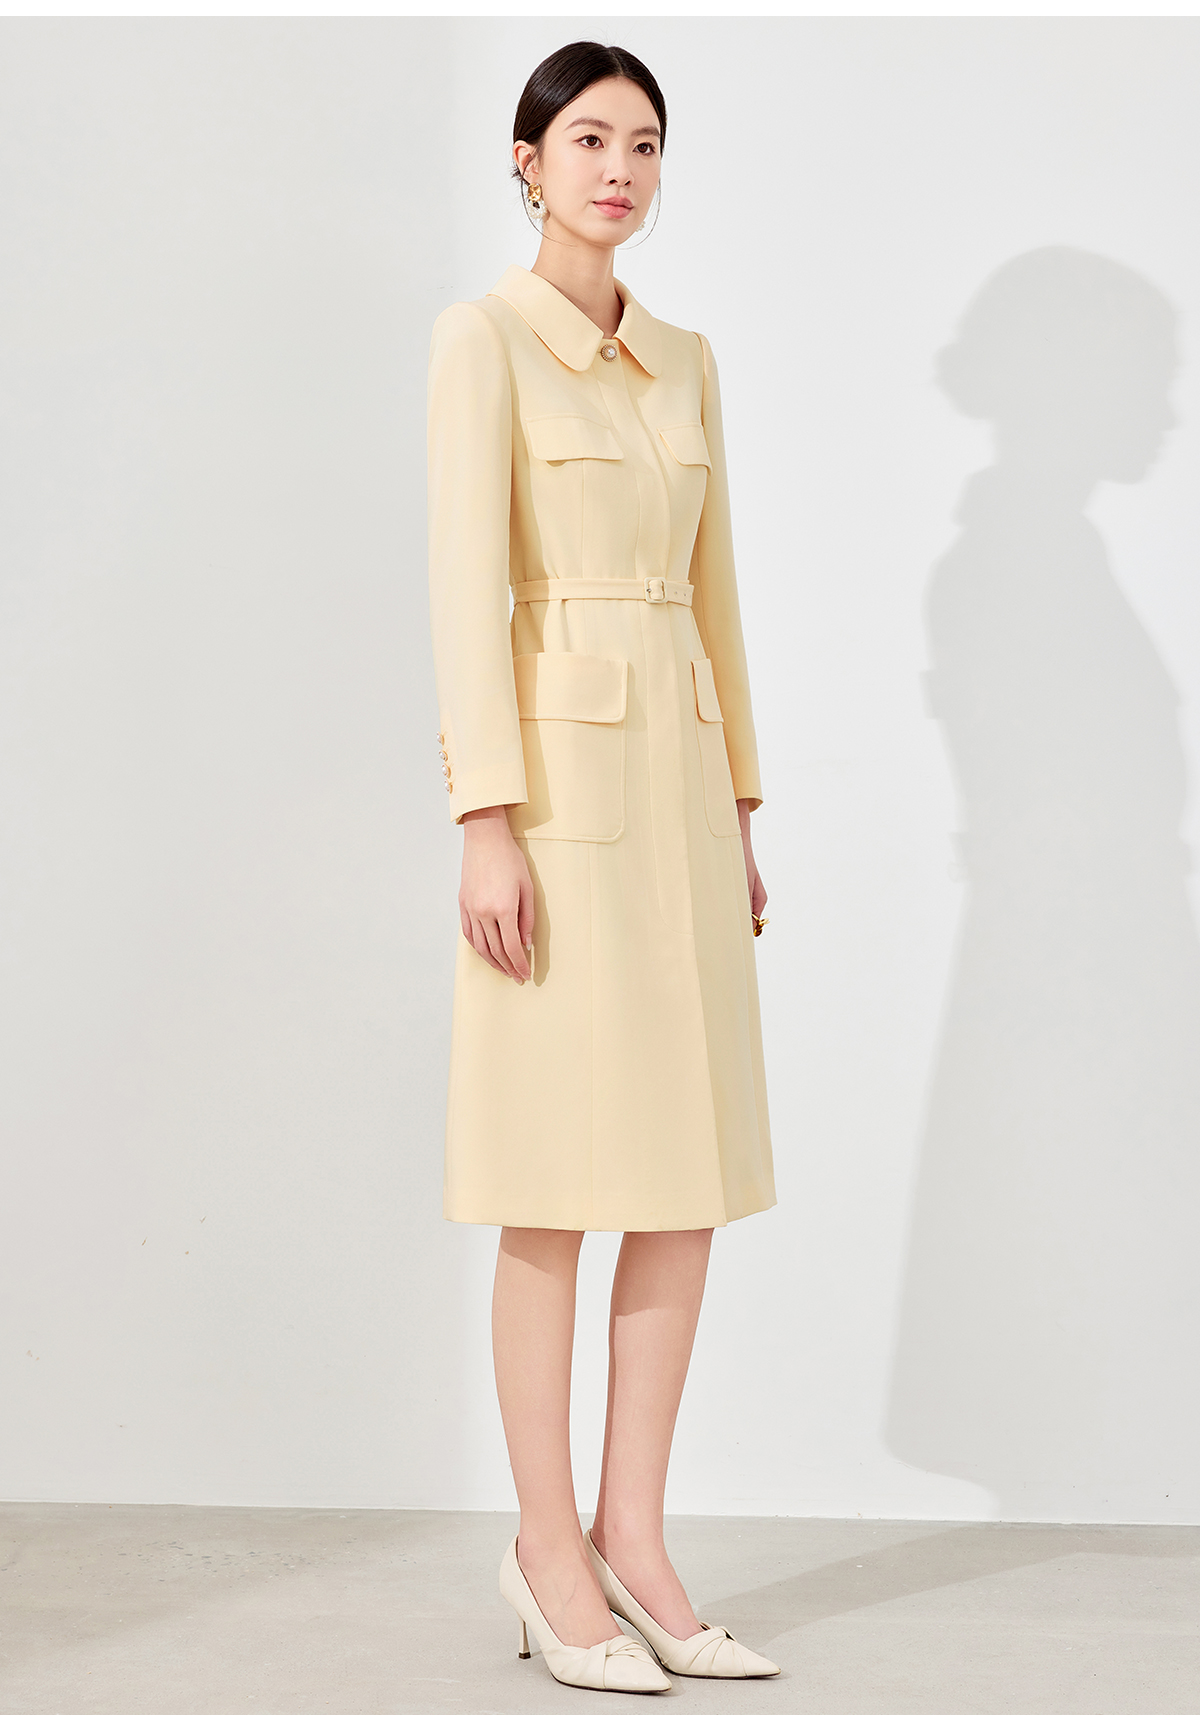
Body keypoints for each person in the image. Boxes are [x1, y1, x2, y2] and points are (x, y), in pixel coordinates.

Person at [426, 40, 779, 1693]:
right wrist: (484, 820)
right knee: (555, 1177)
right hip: (560, 812)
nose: (618, 168)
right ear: (528, 161)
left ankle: (636, 1534)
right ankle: (545, 1547)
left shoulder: (688, 361)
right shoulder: (483, 340)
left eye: (643, 142)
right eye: (587, 139)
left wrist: (743, 809)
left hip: (683, 802)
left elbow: (717, 598)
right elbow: (463, 592)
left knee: (682, 1175)